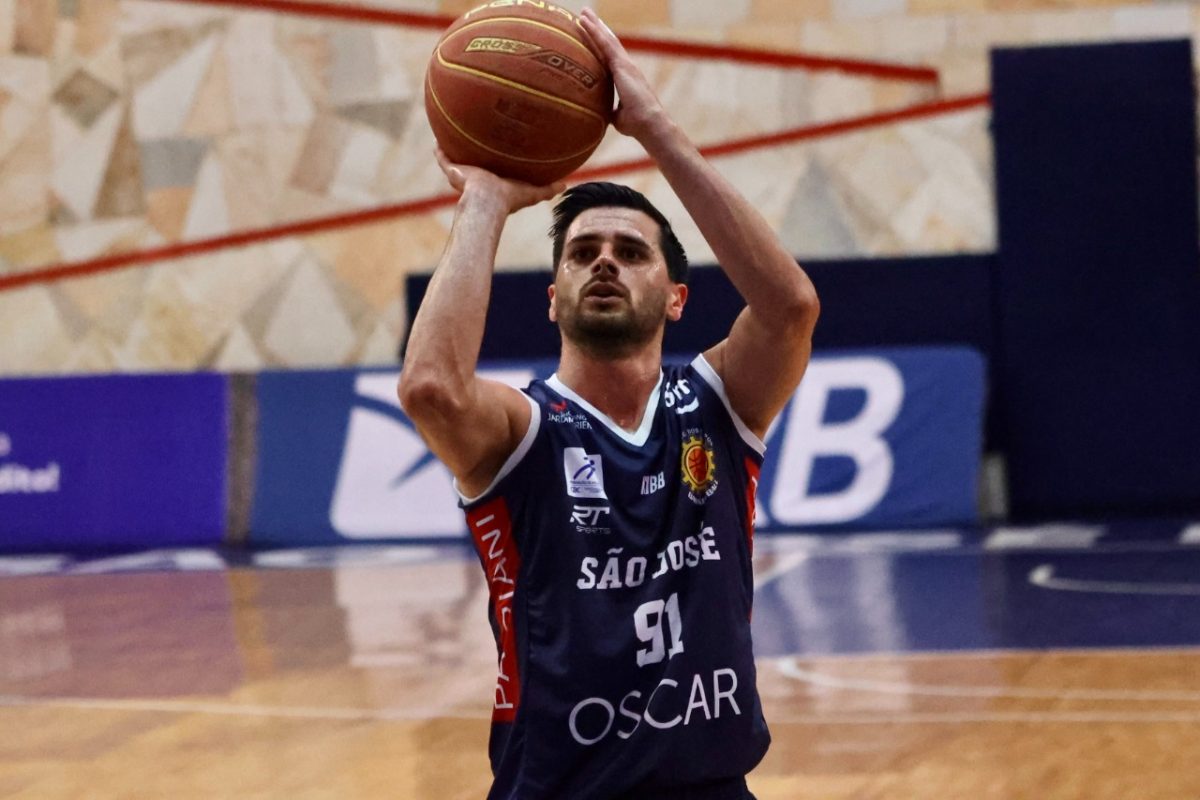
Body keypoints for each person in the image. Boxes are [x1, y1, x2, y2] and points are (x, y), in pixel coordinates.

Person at [399, 8, 819, 799]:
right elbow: (431, 389)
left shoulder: (718, 404)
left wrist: (653, 126)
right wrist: (485, 196)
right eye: (582, 253)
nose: (604, 264)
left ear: (677, 298)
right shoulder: (525, 433)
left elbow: (791, 308)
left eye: (630, 253)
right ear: (552, 298)